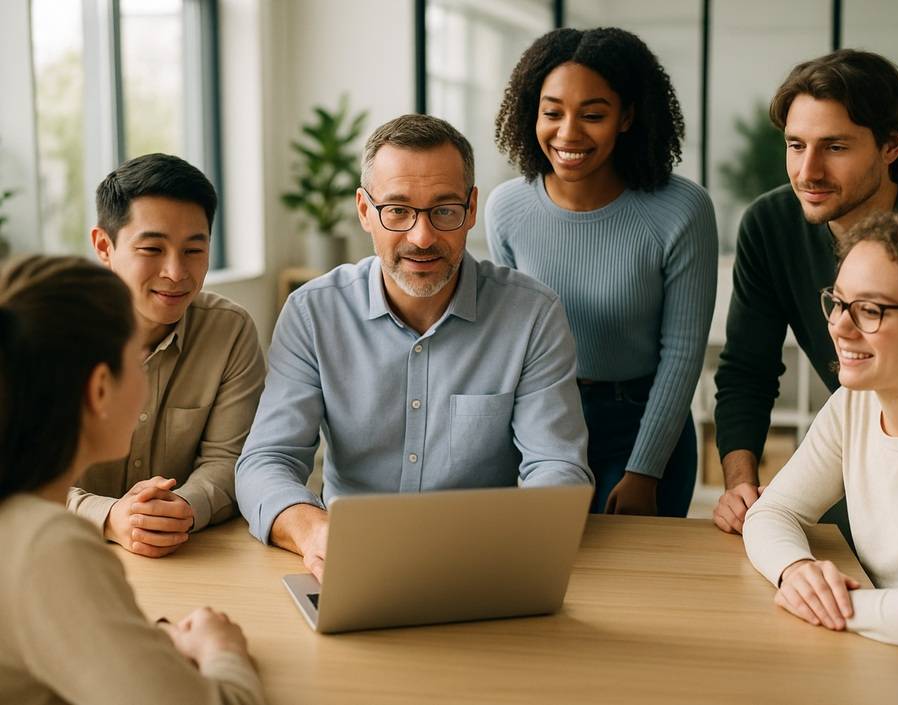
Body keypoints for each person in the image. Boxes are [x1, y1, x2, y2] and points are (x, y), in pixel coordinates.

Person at [235, 114, 592, 579]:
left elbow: (557, 467)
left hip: (483, 563)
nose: (422, 238)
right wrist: (314, 532)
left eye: (444, 211)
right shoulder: (312, 312)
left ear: (471, 209)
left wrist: (510, 541)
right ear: (365, 211)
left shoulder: (532, 315)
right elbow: (266, 461)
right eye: (398, 210)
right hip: (350, 562)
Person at [0, 255, 265, 704]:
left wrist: (146, 644)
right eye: (136, 360)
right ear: (100, 389)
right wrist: (222, 649)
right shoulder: (49, 546)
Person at [486, 27, 717, 516]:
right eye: (552, 113)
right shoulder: (507, 208)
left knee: (635, 567)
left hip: (646, 427)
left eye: (592, 115)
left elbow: (681, 355)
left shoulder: (682, 210)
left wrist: (645, 470)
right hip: (546, 422)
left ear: (627, 117)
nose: (568, 133)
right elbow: (509, 342)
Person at [713, 49, 898, 535]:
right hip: (858, 453)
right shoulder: (769, 225)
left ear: (892, 145)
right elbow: (747, 372)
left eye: (835, 147)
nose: (808, 172)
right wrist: (740, 485)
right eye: (796, 145)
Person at [742, 211, 898, 681]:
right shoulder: (854, 405)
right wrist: (797, 570)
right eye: (837, 302)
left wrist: (836, 606)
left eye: (870, 310)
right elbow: (773, 511)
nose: (839, 326)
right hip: (885, 657)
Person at [68, 153, 266, 557]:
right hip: (65, 555)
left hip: (188, 557)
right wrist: (109, 516)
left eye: (193, 250)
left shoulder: (229, 330)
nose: (176, 273)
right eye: (152, 249)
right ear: (104, 246)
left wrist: (181, 509)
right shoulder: (45, 333)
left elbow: (230, 459)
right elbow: (17, 475)